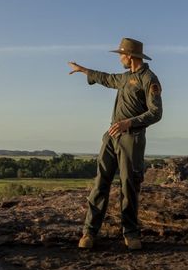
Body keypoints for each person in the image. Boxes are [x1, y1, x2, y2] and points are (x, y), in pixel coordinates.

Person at [67, 38, 163, 251]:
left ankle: (130, 233)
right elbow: (107, 78)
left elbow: (156, 112)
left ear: (129, 56)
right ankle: (89, 232)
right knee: (101, 181)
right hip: (111, 135)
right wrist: (83, 70)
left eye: (121, 54)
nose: (119, 57)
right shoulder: (125, 77)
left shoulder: (149, 79)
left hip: (132, 137)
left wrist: (129, 122)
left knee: (129, 185)